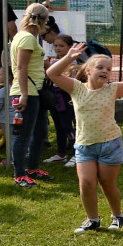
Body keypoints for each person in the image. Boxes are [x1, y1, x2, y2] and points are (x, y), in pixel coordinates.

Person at [45, 41, 123, 231]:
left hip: (110, 144)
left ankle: (118, 216)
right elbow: (52, 73)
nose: (105, 71)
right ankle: (93, 220)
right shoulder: (77, 88)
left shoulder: (112, 89)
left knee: (107, 184)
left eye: (108, 69)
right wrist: (68, 57)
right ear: (88, 70)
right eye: (100, 67)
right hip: (85, 145)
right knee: (86, 183)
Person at [9, 4, 55, 187]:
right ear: (44, 21)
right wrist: (24, 95)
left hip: (35, 92)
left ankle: (32, 168)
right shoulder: (27, 38)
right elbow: (21, 67)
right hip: (27, 92)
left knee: (41, 132)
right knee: (23, 135)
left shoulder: (26, 37)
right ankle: (19, 174)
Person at [41, 34, 85, 166]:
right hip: (55, 96)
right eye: (55, 46)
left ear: (70, 47)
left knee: (67, 126)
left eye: (61, 46)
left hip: (66, 96)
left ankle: (76, 153)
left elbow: (66, 78)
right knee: (59, 126)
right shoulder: (54, 61)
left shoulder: (72, 62)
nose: (58, 48)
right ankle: (61, 153)